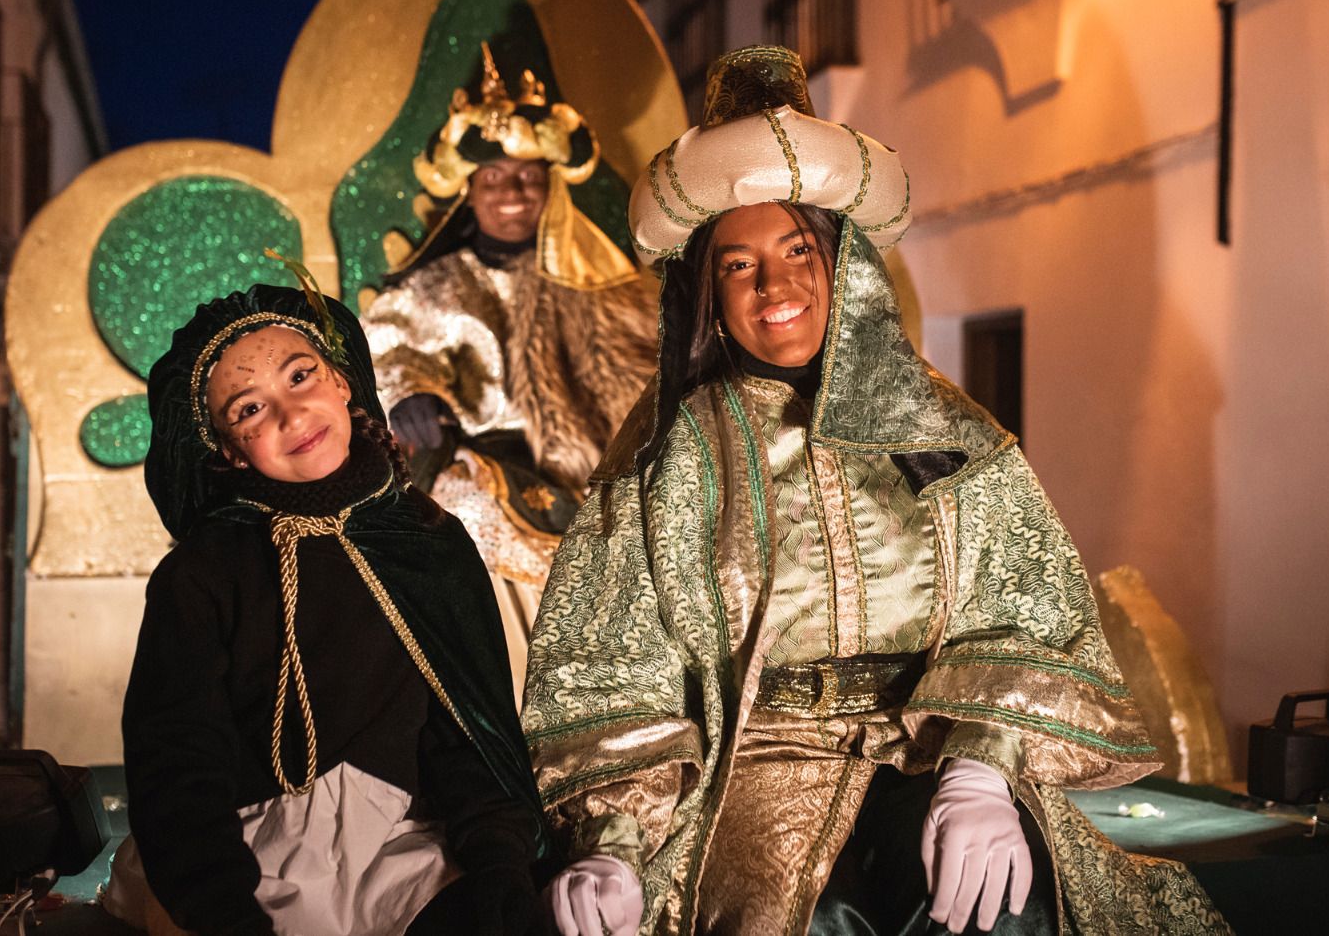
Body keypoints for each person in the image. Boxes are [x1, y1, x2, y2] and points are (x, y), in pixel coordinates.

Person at [522, 47, 1231, 935]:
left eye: (796, 249)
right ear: (707, 288)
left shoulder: (945, 429)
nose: (774, 286)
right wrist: (613, 841)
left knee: (1002, 913)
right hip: (753, 775)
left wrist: (981, 769)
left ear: (843, 261)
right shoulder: (668, 456)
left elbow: (1029, 606)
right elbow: (608, 663)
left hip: (930, 759)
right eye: (739, 265)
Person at [107, 276, 546, 935]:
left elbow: (472, 739)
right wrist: (223, 910)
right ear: (228, 449)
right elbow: (176, 764)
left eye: (300, 376)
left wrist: (501, 871)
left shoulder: (428, 542)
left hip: (408, 849)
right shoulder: (201, 574)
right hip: (242, 861)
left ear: (343, 382)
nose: (288, 415)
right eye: (249, 410)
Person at [363, 44, 656, 699]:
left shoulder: (613, 289)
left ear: (552, 185)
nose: (513, 194)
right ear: (470, 193)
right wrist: (413, 395)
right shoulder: (435, 288)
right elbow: (389, 352)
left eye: (528, 177)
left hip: (599, 484)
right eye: (494, 180)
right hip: (482, 474)